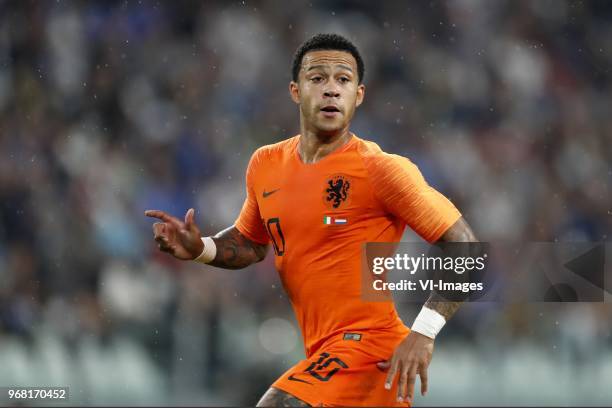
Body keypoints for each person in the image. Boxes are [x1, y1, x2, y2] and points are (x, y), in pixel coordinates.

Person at [146, 33, 478, 407]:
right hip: (326, 353)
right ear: (295, 90)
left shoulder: (381, 169)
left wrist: (424, 332)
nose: (332, 90)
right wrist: (202, 248)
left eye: (344, 79)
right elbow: (252, 243)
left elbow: (465, 247)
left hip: (372, 349)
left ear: (359, 95)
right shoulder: (266, 164)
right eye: (318, 78)